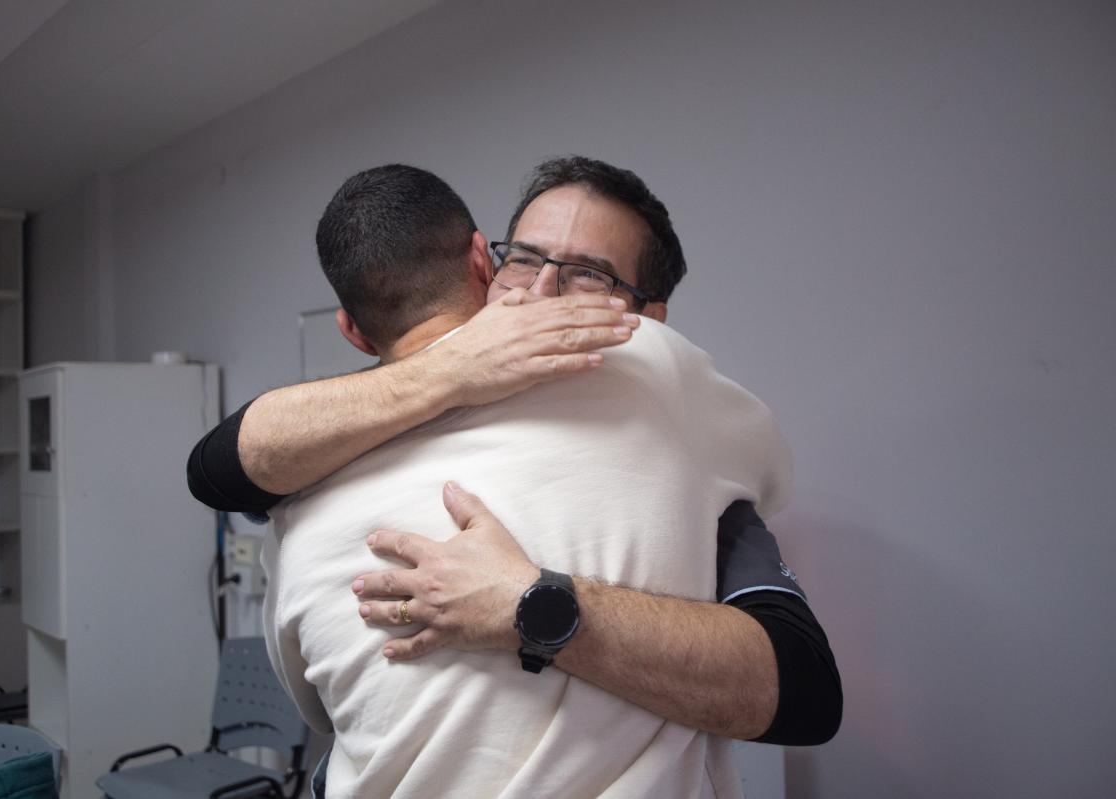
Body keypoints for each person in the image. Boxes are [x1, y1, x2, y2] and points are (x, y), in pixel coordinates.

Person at [188, 158, 841, 779]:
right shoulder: (346, 432)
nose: (539, 291)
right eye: (524, 259)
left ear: (649, 321)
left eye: (590, 276)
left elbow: (805, 692)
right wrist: (451, 371)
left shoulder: (662, 398)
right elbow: (218, 467)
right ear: (485, 265)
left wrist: (530, 605)